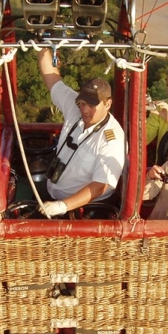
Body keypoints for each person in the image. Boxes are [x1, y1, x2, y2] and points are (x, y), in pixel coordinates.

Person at [36, 48, 126, 217]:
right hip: (54, 198)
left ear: (107, 104)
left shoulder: (112, 139)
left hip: (86, 212)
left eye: (92, 105)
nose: (85, 110)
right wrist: (43, 47)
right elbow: (52, 79)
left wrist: (62, 206)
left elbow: (101, 185)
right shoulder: (75, 108)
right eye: (82, 103)